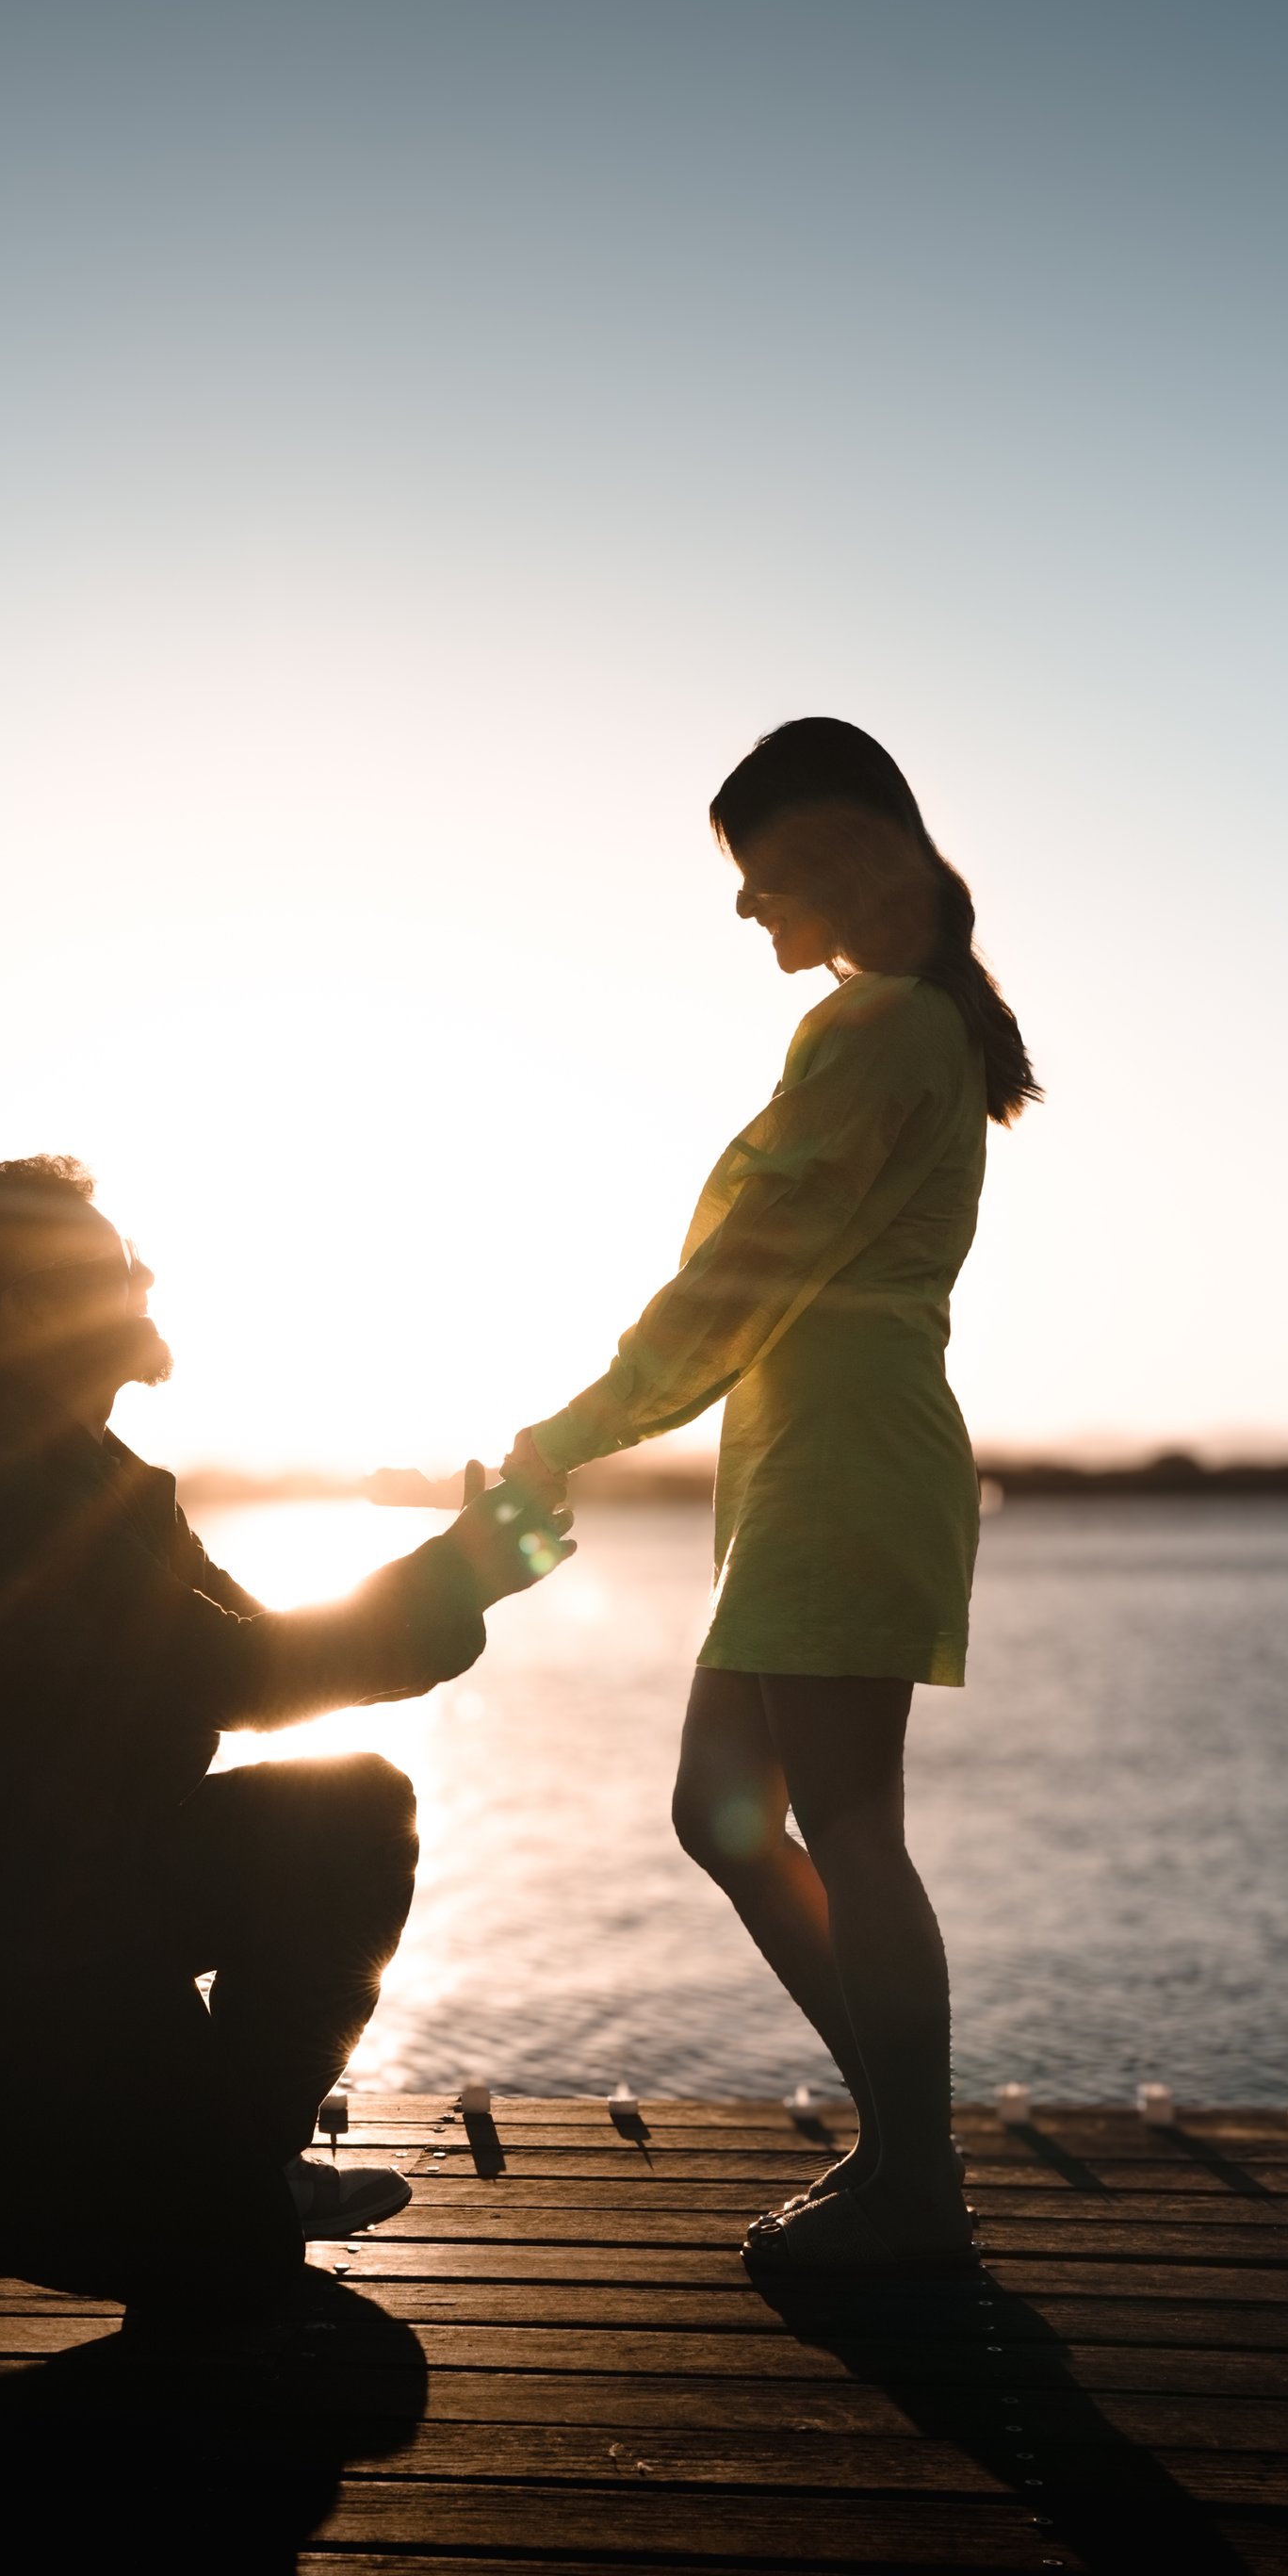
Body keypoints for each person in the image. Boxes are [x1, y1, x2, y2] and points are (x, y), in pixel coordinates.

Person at [0, 1153, 571, 2308]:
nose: (142, 1276)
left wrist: (461, 1580)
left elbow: (266, 1654)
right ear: (23, 1309)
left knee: (353, 1814)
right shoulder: (10, 1499)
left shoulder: (109, 1484)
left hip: (82, 1905)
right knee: (201, 2256)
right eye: (105, 1265)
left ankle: (228, 2168)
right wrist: (455, 1576)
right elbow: (239, 1670)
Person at [508, 718, 1038, 2278]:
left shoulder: (879, 1027)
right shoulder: (901, 1022)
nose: (746, 909)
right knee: (720, 1810)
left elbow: (744, 1272)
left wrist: (575, 1428)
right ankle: (904, 2151)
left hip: (846, 1467)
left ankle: (915, 2182)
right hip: (813, 1465)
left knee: (846, 1823)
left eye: (761, 874)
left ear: (842, 856)